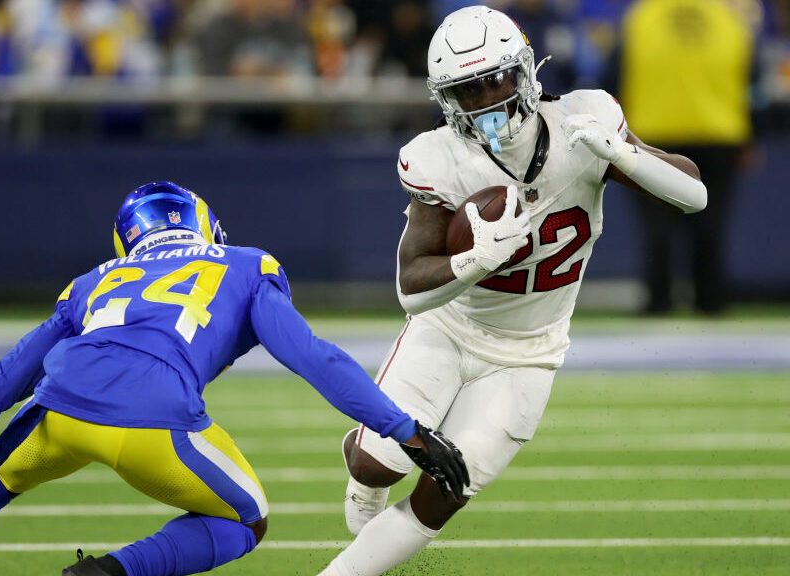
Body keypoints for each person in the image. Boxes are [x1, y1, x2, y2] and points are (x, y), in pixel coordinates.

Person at [0, 181, 469, 576]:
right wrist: (406, 431)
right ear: (203, 224)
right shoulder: (246, 265)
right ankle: (111, 573)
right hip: (152, 418)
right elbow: (315, 358)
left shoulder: (95, 280)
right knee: (246, 520)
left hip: (61, 409)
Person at [320, 6, 707, 575]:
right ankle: (361, 466)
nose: (484, 99)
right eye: (465, 89)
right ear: (446, 98)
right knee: (379, 467)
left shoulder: (585, 123)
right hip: (450, 330)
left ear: (523, 69)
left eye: (493, 78)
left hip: (529, 351)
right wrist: (474, 260)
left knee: (447, 489)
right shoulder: (439, 157)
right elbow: (410, 287)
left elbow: (693, 195)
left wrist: (623, 153)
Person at [615, 0, 755, 314]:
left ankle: (658, 301)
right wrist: (749, 133)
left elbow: (614, 75)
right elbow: (750, 78)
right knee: (710, 226)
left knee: (657, 230)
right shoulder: (730, 19)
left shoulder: (640, 18)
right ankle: (711, 301)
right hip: (719, 134)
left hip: (654, 132)